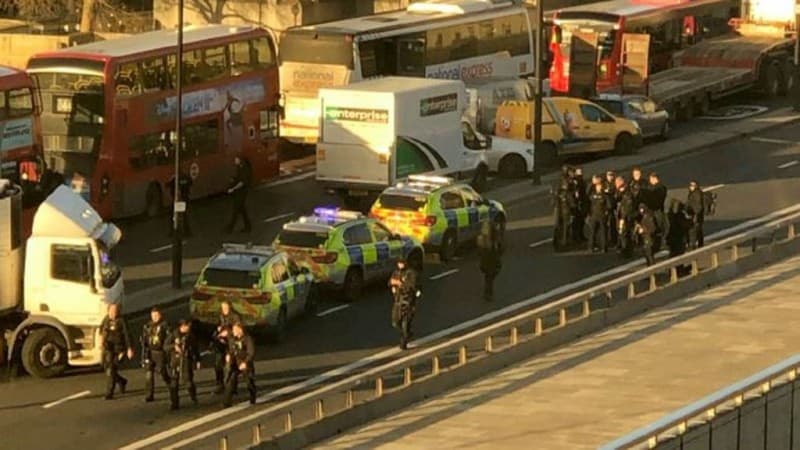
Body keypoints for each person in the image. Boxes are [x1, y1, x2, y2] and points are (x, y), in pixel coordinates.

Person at [100, 303, 133, 400]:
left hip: (119, 349)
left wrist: (129, 349)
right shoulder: (106, 320)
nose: (113, 313)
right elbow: (102, 330)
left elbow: (127, 335)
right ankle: (121, 381)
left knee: (111, 369)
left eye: (115, 311)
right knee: (108, 368)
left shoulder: (122, 321)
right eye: (111, 311)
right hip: (108, 348)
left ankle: (109, 393)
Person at [168, 320, 200, 410]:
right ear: (182, 326)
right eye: (186, 327)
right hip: (175, 361)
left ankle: (193, 396)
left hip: (186, 361)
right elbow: (165, 346)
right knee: (174, 383)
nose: (188, 328)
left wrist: (197, 360)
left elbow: (195, 348)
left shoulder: (190, 336)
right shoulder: (173, 335)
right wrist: (174, 346)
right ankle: (174, 403)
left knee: (188, 381)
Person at [388, 258, 420, 350]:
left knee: (405, 323)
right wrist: (393, 284)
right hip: (397, 301)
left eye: (402, 263)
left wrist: (401, 283)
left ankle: (404, 341)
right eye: (399, 263)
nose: (400, 265)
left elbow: (412, 285)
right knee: (395, 322)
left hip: (408, 301)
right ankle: (407, 333)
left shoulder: (410, 273)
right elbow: (390, 281)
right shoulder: (396, 272)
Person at [223, 322, 257, 407]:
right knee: (231, 380)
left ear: (240, 330)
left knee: (249, 381)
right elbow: (231, 350)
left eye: (235, 330)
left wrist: (246, 362)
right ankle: (227, 402)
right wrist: (228, 355)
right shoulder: (232, 339)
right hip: (235, 362)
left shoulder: (247, 339)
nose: (233, 331)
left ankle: (253, 396)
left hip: (245, 362)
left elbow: (251, 352)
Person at [141, 307, 171, 403]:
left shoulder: (165, 325)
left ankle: (171, 387)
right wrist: (144, 355)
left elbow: (169, 338)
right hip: (150, 352)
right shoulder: (147, 326)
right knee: (149, 374)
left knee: (163, 372)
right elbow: (144, 341)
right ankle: (149, 395)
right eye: (153, 316)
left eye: (157, 315)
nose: (155, 317)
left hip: (160, 353)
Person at [212, 300, 241, 394]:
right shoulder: (220, 316)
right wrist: (218, 331)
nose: (224, 310)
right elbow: (215, 327)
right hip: (221, 344)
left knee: (231, 365)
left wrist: (227, 332)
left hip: (231, 343)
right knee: (218, 364)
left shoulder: (235, 317)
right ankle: (219, 384)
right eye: (223, 308)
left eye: (226, 308)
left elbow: (238, 330)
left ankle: (232, 387)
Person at [225, 156, 252, 234]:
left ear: (240, 160)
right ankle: (248, 226)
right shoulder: (239, 168)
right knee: (242, 210)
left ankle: (230, 227)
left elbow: (242, 182)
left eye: (236, 159)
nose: (234, 161)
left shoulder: (244, 169)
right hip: (240, 192)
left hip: (242, 192)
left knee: (236, 210)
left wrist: (233, 189)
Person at [478, 221, 503, 301]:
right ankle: (488, 294)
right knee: (490, 277)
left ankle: (488, 293)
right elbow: (500, 249)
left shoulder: (483, 239)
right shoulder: (493, 241)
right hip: (491, 260)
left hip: (487, 260)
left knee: (488, 277)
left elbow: (480, 251)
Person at [167, 169, 193, 238]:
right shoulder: (186, 177)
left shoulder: (175, 179)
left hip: (177, 201)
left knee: (174, 216)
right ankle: (187, 231)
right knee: (184, 216)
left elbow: (167, 185)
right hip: (185, 199)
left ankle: (173, 231)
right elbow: (191, 183)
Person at [615, 176, 637, 258]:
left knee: (624, 234)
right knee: (624, 234)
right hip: (623, 216)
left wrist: (623, 218)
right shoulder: (621, 193)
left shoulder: (627, 194)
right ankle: (625, 249)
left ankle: (627, 251)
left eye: (617, 183)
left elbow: (627, 207)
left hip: (626, 217)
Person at [587, 182, 610, 253]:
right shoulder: (592, 195)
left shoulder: (605, 196)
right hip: (594, 215)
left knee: (603, 232)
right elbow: (589, 204)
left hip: (602, 215)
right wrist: (589, 214)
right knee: (592, 232)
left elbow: (609, 205)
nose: (599, 188)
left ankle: (604, 247)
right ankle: (591, 247)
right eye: (597, 187)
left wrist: (606, 212)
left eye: (600, 187)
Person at [554, 178, 575, 250]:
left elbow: (553, 203)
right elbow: (572, 204)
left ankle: (558, 241)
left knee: (559, 227)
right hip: (566, 212)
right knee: (566, 227)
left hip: (558, 212)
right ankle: (565, 241)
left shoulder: (558, 194)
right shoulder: (568, 193)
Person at [686, 181, 705, 249]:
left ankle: (693, 245)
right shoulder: (693, 193)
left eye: (692, 185)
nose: (690, 186)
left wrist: (695, 215)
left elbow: (698, 206)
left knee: (693, 230)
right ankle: (700, 244)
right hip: (696, 215)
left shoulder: (696, 194)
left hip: (695, 215)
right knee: (698, 230)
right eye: (690, 185)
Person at [572, 167, 588, 243]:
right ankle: (576, 237)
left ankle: (581, 235)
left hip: (583, 202)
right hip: (578, 203)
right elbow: (576, 192)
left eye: (581, 172)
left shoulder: (581, 181)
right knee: (577, 221)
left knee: (581, 221)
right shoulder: (575, 181)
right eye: (579, 172)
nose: (580, 173)